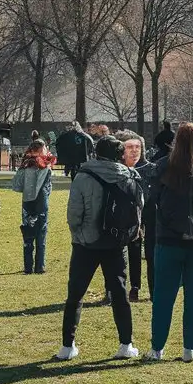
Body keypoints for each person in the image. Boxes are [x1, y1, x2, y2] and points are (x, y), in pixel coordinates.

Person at [57, 135, 142, 361]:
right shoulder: (128, 176)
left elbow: (74, 214)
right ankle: (126, 343)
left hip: (85, 242)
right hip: (116, 242)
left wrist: (79, 233)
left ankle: (67, 346)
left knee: (75, 294)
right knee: (119, 293)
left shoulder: (83, 176)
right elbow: (138, 209)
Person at [144, 122, 193, 363]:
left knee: (163, 294)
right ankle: (190, 348)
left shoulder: (163, 167)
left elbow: (150, 202)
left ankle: (157, 347)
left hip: (168, 239)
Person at [115, 130, 150, 301]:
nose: (135, 150)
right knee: (117, 256)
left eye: (138, 147)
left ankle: (135, 287)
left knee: (136, 253)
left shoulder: (147, 169)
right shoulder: (116, 170)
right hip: (119, 218)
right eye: (130, 147)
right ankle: (115, 288)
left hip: (140, 219)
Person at [11, 138, 55, 274]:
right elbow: (48, 187)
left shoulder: (25, 164)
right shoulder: (45, 166)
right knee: (41, 233)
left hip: (27, 202)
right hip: (41, 202)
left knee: (28, 233)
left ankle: (28, 266)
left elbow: (16, 186)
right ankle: (40, 266)